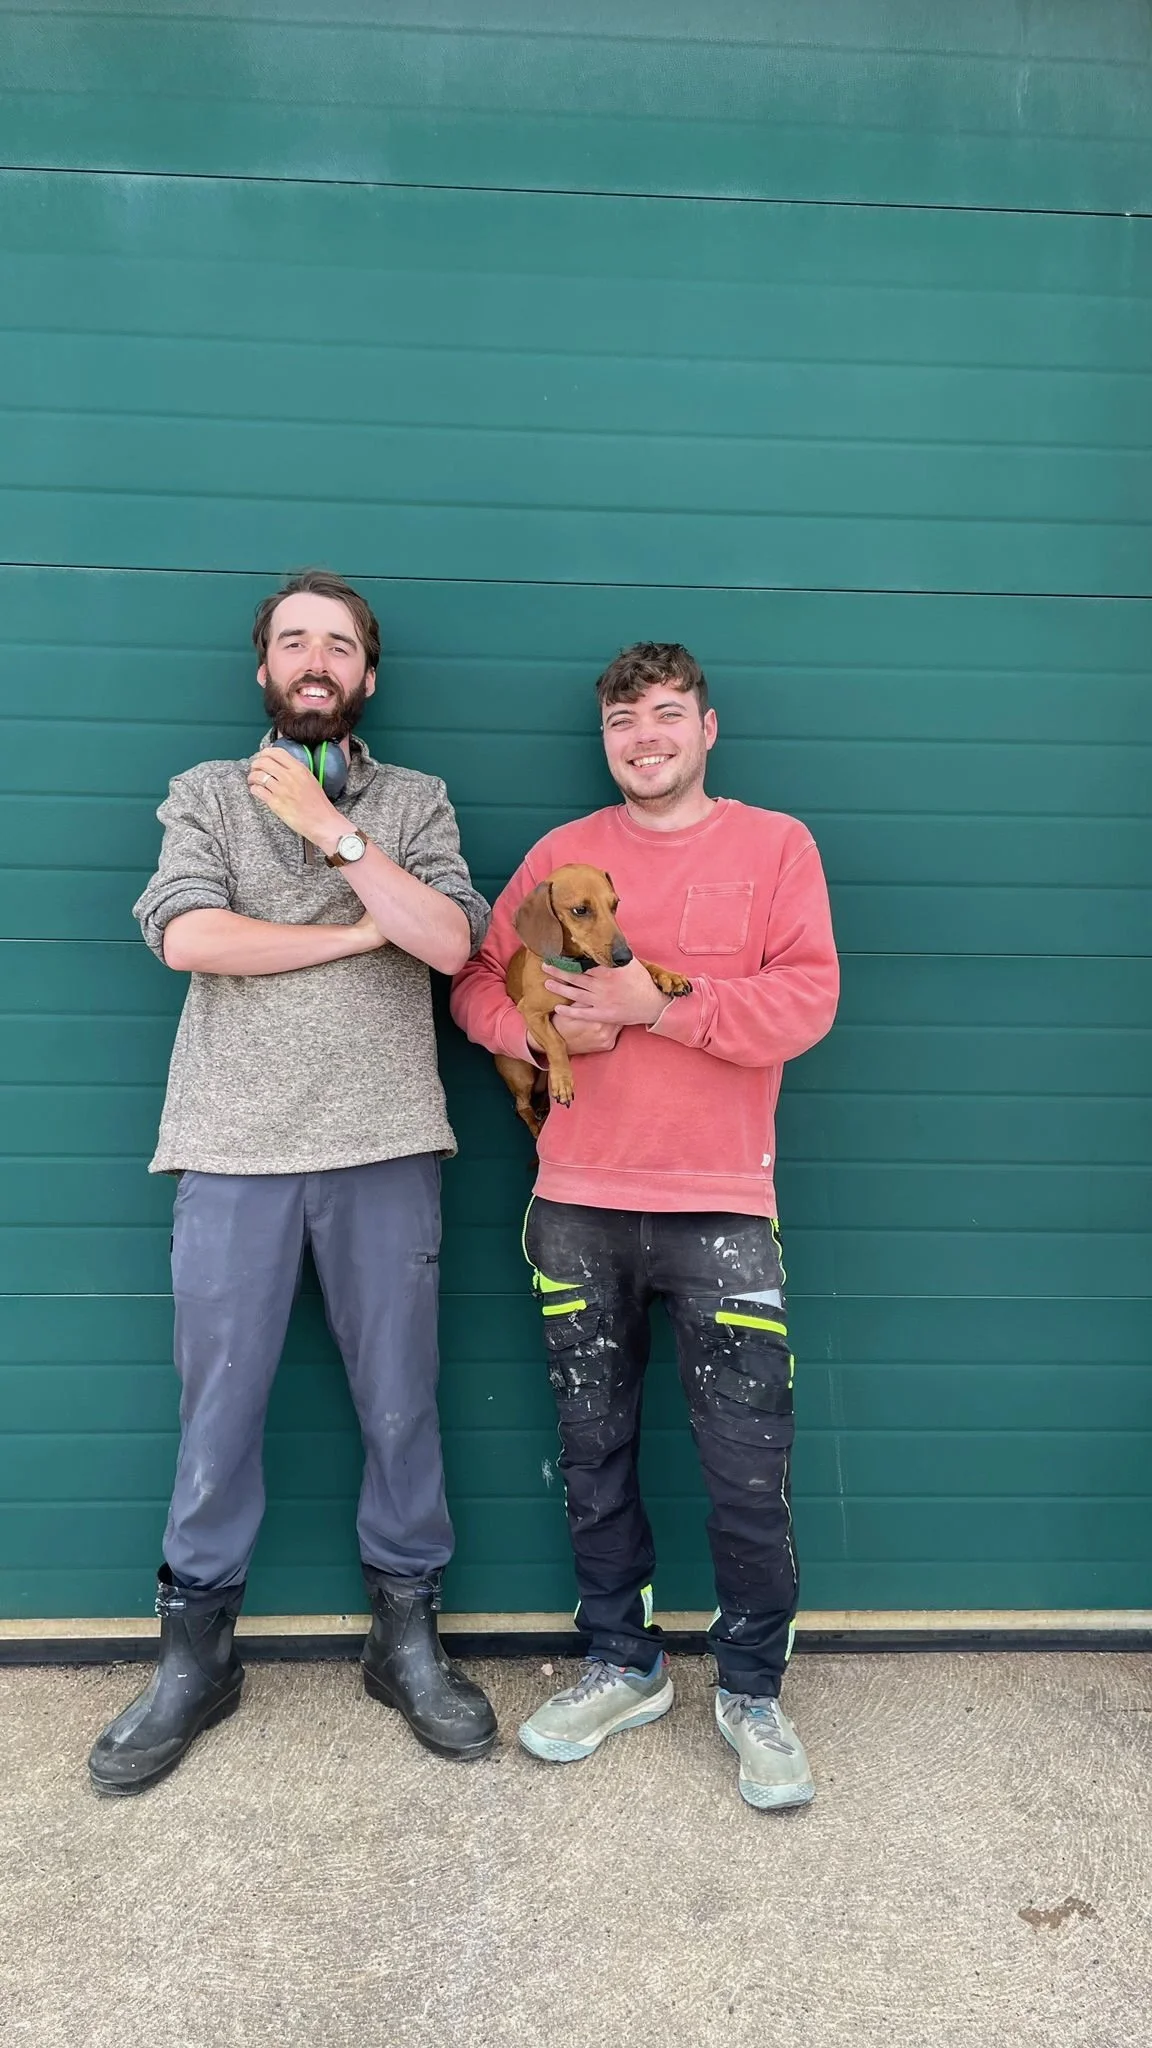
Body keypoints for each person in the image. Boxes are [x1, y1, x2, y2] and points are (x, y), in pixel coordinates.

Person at [89, 568, 497, 1796]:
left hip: (383, 1144)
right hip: (231, 1145)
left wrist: (337, 838)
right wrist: (352, 929)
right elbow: (188, 936)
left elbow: (451, 939)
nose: (314, 660)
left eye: (337, 645)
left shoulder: (415, 800)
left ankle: (406, 1639)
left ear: (366, 676)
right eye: (292, 641)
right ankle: (195, 1655)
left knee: (400, 1403)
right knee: (217, 1407)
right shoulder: (207, 794)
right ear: (264, 668)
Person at [451, 643, 838, 1810]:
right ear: (606, 737)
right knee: (594, 1456)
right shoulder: (561, 857)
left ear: (707, 727)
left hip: (723, 1205)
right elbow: (477, 982)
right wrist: (550, 1036)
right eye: (626, 717)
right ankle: (624, 1662)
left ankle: (752, 1688)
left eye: (669, 714)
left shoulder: (777, 846)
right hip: (576, 1204)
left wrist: (657, 1006)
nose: (646, 735)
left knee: (746, 1466)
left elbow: (807, 998)